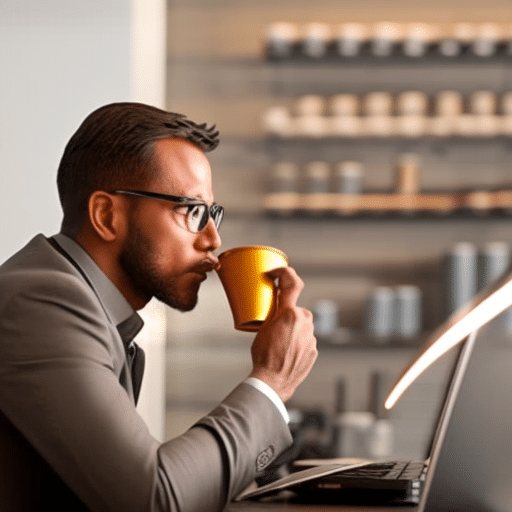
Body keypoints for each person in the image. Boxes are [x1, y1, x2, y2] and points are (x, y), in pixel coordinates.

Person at [0, 102, 317, 512]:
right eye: (191, 210)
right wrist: (272, 381)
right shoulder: (42, 304)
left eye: (213, 214)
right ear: (106, 215)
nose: (212, 239)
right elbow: (155, 499)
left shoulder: (85, 307)